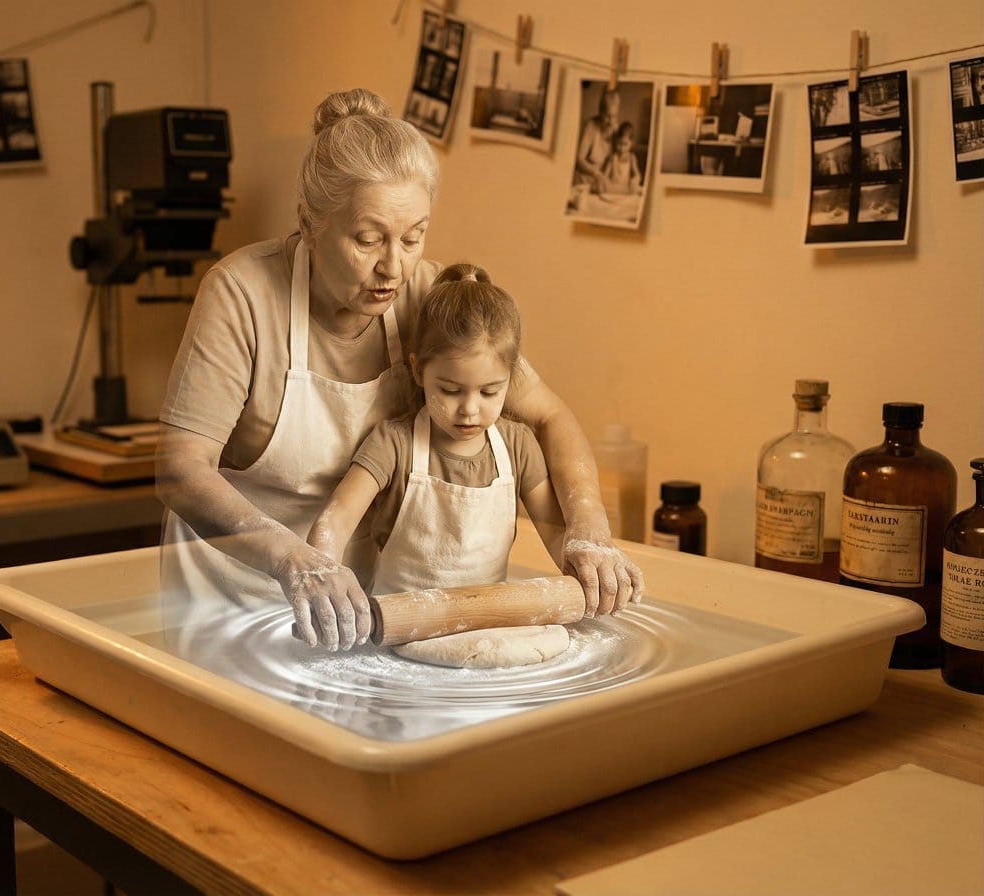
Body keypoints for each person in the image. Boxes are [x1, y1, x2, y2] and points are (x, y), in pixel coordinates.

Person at [157, 88, 643, 653]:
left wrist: (588, 532)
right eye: (368, 240)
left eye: (413, 237)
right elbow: (181, 469)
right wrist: (294, 558)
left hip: (363, 612)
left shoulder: (426, 295)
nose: (394, 266)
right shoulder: (241, 293)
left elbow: (549, 417)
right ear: (310, 224)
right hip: (232, 604)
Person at [307, 264, 568, 613]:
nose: (469, 410)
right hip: (399, 623)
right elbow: (336, 520)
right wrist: (324, 575)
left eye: (490, 392)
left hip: (486, 622)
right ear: (418, 370)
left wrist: (585, 567)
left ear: (510, 378)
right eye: (450, 390)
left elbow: (556, 533)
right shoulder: (393, 445)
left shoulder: (517, 447)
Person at [574, 88, 621, 195]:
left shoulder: (616, 130)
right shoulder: (590, 126)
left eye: (614, 116)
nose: (611, 121)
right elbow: (579, 160)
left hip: (601, 184)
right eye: (607, 116)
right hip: (584, 182)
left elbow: (616, 157)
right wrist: (596, 173)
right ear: (600, 112)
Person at [600, 122, 642, 193]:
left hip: (625, 189)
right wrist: (605, 181)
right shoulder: (613, 157)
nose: (622, 148)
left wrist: (635, 179)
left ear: (631, 143)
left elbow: (637, 174)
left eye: (625, 144)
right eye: (619, 144)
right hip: (612, 189)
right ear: (616, 141)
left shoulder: (632, 158)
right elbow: (605, 175)